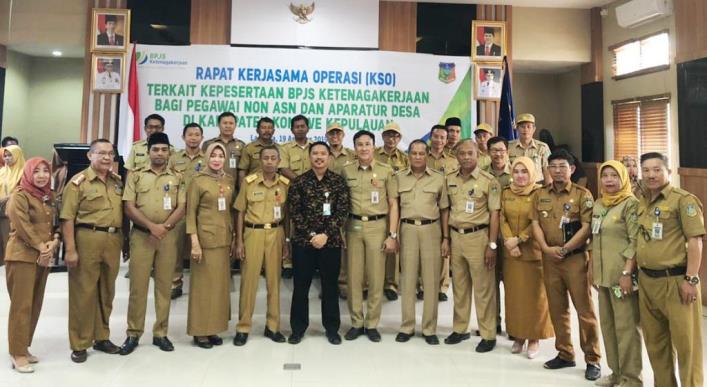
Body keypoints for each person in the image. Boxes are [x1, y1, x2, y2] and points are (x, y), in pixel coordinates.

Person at [530, 149, 601, 381]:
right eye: (553, 166)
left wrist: (566, 248)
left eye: (563, 166)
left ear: (571, 169)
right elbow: (535, 224)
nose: (558, 170)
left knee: (585, 311)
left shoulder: (583, 194)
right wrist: (545, 248)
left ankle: (592, 358)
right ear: (548, 169)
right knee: (557, 308)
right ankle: (565, 353)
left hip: (575, 259)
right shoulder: (540, 194)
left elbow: (587, 227)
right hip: (550, 259)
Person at [636, 152, 704, 387]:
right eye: (646, 170)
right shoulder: (642, 200)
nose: (651, 175)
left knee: (687, 346)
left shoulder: (683, 200)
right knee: (655, 344)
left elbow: (695, 241)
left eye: (656, 169)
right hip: (647, 281)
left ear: (669, 171)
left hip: (676, 282)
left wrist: (691, 279)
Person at [119, 133, 186, 355]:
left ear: (169, 152)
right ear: (148, 151)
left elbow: (181, 207)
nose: (159, 153)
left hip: (167, 238)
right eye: (155, 149)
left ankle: (161, 333)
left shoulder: (177, 176)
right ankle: (133, 333)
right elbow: (129, 206)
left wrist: (163, 228)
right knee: (138, 287)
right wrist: (151, 227)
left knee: (164, 286)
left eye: (163, 150)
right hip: (141, 237)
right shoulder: (136, 176)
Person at [60, 139, 124, 363]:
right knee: (83, 293)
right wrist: (70, 250)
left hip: (113, 240)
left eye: (110, 154)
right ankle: (79, 343)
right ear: (90, 156)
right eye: (101, 153)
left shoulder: (117, 182)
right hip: (87, 238)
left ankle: (102, 337)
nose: (107, 158)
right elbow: (67, 218)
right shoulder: (78, 183)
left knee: (106, 293)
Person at [287, 141, 350, 345]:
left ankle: (332, 329)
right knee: (301, 287)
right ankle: (297, 329)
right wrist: (313, 235)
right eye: (315, 153)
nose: (319, 157)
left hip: (330, 244)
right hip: (304, 244)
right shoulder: (299, 182)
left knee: (330, 287)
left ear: (329, 157)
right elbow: (294, 213)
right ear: (309, 156)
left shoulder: (338, 182)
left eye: (323, 153)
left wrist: (325, 235)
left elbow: (342, 212)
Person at [443, 139, 500, 353]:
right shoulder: (449, 180)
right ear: (456, 156)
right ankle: (460, 328)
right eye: (462, 153)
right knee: (460, 287)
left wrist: (492, 245)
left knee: (483, 289)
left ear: (478, 154)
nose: (466, 157)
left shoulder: (489, 181)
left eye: (470, 153)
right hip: (456, 237)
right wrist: (446, 239)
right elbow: (446, 210)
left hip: (479, 237)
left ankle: (488, 334)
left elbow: (495, 214)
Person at [5, 157, 60, 373]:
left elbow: (55, 223)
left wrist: (54, 241)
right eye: (36, 171)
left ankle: (24, 346)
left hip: (42, 256)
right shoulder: (20, 196)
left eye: (45, 171)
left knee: (35, 303)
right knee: (21, 305)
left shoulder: (49, 196)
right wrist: (41, 246)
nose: (41, 175)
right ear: (28, 173)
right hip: (21, 256)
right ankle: (17, 353)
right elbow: (21, 225)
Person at [590, 160, 642, 387]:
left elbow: (636, 241)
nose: (609, 180)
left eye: (614, 175)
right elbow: (595, 238)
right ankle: (616, 373)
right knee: (609, 327)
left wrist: (626, 273)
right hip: (603, 276)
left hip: (621, 278)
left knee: (626, 329)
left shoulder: (630, 204)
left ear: (623, 178)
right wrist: (592, 267)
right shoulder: (599, 204)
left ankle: (631, 378)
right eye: (605, 175)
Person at [343, 130, 399, 342]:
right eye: (359, 144)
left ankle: (372, 323)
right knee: (354, 277)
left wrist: (392, 234)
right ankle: (356, 322)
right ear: (355, 147)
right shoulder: (347, 171)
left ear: (374, 147)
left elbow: (394, 204)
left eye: (367, 144)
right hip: (353, 226)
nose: (364, 148)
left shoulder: (386, 171)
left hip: (378, 227)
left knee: (376, 278)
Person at [233, 145, 289, 346]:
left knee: (274, 282)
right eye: (266, 158)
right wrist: (238, 240)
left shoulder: (284, 184)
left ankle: (272, 326)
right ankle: (243, 327)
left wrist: (286, 241)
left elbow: (288, 216)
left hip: (276, 232)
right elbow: (239, 211)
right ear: (260, 160)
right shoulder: (249, 182)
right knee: (249, 282)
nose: (270, 161)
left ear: (279, 161)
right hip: (252, 233)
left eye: (274, 158)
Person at [394, 140, 449, 345]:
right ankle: (407, 326)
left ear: (427, 155)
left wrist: (445, 237)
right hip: (407, 228)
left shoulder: (438, 178)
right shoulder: (398, 178)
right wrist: (394, 235)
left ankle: (429, 328)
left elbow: (444, 209)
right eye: (413, 153)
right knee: (407, 279)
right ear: (408, 155)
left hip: (431, 229)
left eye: (421, 153)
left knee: (431, 279)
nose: (417, 157)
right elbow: (395, 208)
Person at [500, 157, 554, 359]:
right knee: (514, 297)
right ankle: (518, 336)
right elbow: (501, 217)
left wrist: (519, 240)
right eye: (516, 171)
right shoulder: (506, 192)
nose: (520, 176)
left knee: (535, 299)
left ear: (532, 173)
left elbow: (538, 221)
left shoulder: (540, 193)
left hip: (532, 253)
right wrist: (508, 241)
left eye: (524, 171)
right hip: (511, 254)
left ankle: (534, 337)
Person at [185, 143, 235, 349]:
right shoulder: (198, 181)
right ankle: (200, 331)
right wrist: (194, 243)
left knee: (219, 288)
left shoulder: (228, 180)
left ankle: (214, 328)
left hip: (223, 241)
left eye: (220, 156)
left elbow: (229, 211)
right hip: (204, 242)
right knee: (202, 288)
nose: (216, 159)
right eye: (213, 155)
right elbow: (190, 214)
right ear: (207, 158)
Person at [168, 123, 205, 299]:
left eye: (197, 135)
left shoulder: (207, 159)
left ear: (202, 138)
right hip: (179, 209)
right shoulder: (173, 158)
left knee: (199, 246)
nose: (193, 138)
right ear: (183, 137)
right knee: (176, 245)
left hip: (201, 210)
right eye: (190, 134)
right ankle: (175, 282)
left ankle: (198, 284)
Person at [374, 121, 409, 301]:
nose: (391, 138)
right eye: (388, 135)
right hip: (375, 207)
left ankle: (391, 284)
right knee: (374, 246)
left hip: (396, 206)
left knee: (393, 243)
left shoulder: (405, 159)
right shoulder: (372, 154)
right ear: (382, 137)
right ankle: (372, 283)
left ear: (399, 138)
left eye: (395, 135)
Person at [427, 124, 458, 301]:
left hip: (447, 207)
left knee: (444, 246)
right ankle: (423, 285)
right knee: (424, 246)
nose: (439, 140)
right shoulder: (421, 157)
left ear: (447, 141)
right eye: (436, 136)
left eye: (442, 137)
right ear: (431, 137)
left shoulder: (453, 161)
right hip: (426, 207)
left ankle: (442, 286)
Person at [324, 121, 355, 299]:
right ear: (326, 135)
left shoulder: (352, 155)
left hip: (344, 204)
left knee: (342, 244)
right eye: (331, 133)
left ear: (343, 135)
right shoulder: (321, 153)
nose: (334, 136)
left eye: (338, 133)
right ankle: (328, 284)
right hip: (323, 205)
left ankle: (342, 283)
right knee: (325, 243)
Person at [278, 115, 312, 279]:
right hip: (293, 193)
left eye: (302, 126)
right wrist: (302, 182)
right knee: (290, 226)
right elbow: (283, 168)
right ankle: (288, 262)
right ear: (292, 130)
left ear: (307, 128)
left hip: (313, 194)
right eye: (296, 126)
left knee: (310, 225)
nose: (300, 128)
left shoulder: (315, 147)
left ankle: (309, 261)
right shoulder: (285, 148)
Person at [202, 112, 246, 192]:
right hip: (211, 188)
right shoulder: (209, 144)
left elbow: (243, 170)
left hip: (234, 190)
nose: (228, 126)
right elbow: (203, 167)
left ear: (235, 125)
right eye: (225, 123)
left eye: (231, 123)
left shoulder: (241, 146)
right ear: (219, 125)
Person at [0, 144, 26, 266]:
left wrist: (7, 198)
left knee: (10, 238)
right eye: (5, 156)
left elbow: (22, 190)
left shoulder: (24, 172)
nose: (7, 158)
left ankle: (11, 263)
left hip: (13, 209)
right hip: (0, 208)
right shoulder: (2, 171)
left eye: (10, 155)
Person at [508, 114, 551, 183]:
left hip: (537, 187)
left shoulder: (542, 147)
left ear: (534, 129)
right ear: (517, 128)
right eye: (522, 127)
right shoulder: (509, 146)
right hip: (516, 187)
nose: (526, 129)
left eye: (529, 127)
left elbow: (547, 171)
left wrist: (548, 190)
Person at [238, 117, 280, 187]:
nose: (267, 130)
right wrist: (242, 189)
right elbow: (242, 171)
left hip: (273, 187)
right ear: (257, 130)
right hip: (253, 186)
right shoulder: (249, 148)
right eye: (263, 128)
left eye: (269, 128)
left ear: (273, 131)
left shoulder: (279, 148)